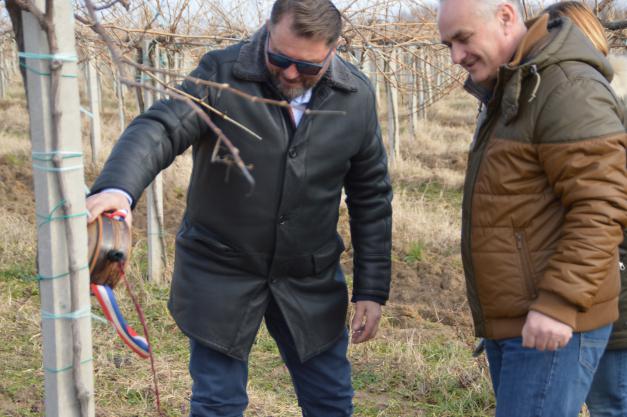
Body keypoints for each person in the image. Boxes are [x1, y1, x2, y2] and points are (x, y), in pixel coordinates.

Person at [86, 1, 392, 416]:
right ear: (267, 29)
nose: (288, 73)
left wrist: (372, 289)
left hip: (308, 278)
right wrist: (119, 189)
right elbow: (162, 127)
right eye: (279, 57)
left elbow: (371, 194)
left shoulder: (355, 97)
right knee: (218, 404)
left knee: (331, 402)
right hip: (220, 272)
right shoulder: (221, 74)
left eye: (306, 67)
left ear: (333, 51)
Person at [437, 0, 627, 416]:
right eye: (448, 43)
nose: (456, 56)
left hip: (552, 322)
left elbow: (602, 204)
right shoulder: (516, 86)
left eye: (463, 38)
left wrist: (559, 301)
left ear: (506, 17)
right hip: (520, 321)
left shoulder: (565, 87)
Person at [540, 3, 627, 416]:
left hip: (608, 294)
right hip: (577, 290)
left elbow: (606, 208)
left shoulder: (596, 108)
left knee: (611, 403)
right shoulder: (552, 104)